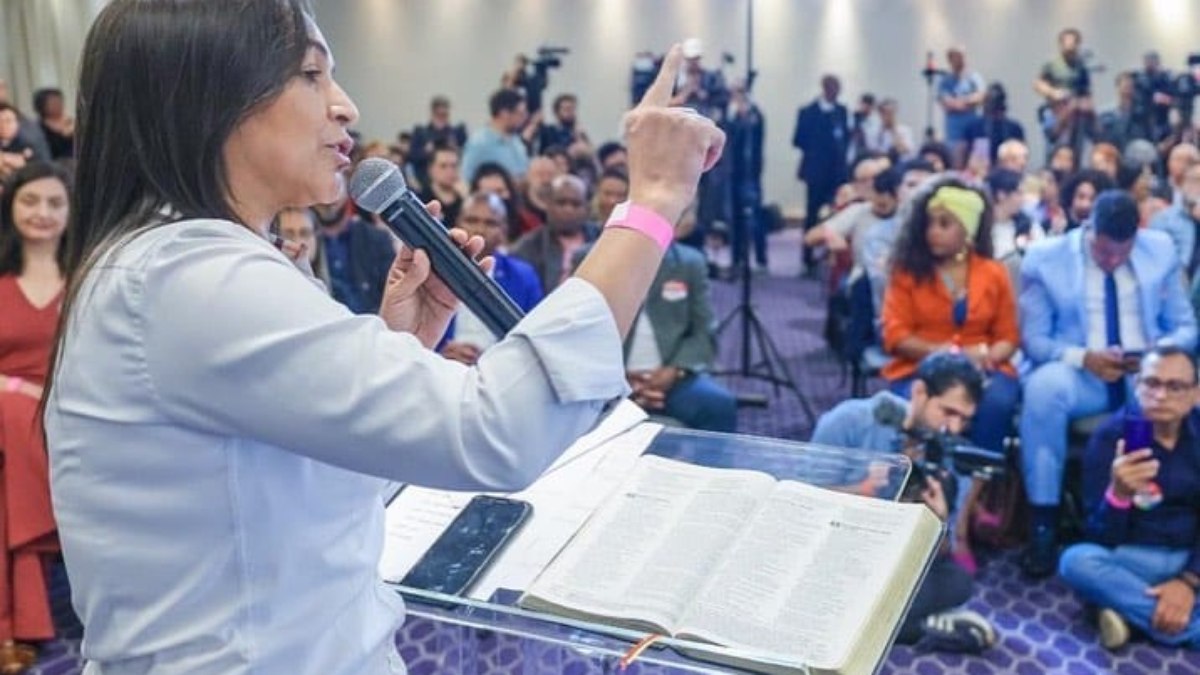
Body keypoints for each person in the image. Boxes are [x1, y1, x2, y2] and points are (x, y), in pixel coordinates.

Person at [43, 4, 724, 672]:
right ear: (206, 97)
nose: (345, 106)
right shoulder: (187, 276)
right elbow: (497, 430)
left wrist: (398, 346)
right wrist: (654, 200)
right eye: (311, 75)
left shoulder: (187, 262)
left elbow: (293, 482)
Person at [1018, 190, 1197, 578]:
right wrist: (1084, 357)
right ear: (1088, 230)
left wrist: (1155, 353)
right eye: (1104, 253)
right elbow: (1035, 341)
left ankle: (1176, 525)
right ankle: (1043, 519)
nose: (1113, 261)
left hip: (1146, 370)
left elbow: (1185, 327)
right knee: (1042, 390)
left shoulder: (1161, 250)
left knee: (1182, 385)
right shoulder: (1046, 259)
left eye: (1122, 253)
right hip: (1082, 371)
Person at [811, 353, 996, 653]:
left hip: (887, 567)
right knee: (827, 588)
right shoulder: (851, 421)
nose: (955, 427)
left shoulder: (949, 454)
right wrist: (861, 492)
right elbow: (798, 502)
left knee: (958, 580)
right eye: (948, 412)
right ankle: (914, 627)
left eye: (964, 419)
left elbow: (941, 553)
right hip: (833, 553)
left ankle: (870, 624)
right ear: (920, 392)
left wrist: (937, 523)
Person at [1059, 346, 1200, 651]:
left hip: (1190, 554)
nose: (1161, 396)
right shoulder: (1110, 437)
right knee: (1076, 561)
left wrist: (1188, 581)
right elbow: (1099, 535)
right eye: (1151, 383)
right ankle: (1188, 626)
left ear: (1195, 394)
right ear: (1137, 387)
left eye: (1175, 386)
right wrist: (1118, 495)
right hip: (1133, 556)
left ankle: (1128, 612)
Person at [0, 162, 70, 673]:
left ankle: (11, 626)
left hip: (68, 416)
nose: (41, 213)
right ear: (11, 208)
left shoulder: (89, 276)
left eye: (53, 202)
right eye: (30, 201)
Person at [439, 192, 543, 366]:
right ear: (457, 224)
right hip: (441, 368)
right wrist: (440, 351)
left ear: (504, 231)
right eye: (472, 220)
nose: (480, 229)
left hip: (499, 373)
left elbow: (535, 337)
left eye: (490, 223)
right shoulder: (434, 270)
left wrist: (495, 360)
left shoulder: (524, 276)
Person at [794, 75, 851, 270]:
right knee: (812, 214)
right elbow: (798, 140)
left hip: (837, 172)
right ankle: (807, 258)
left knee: (838, 214)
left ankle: (831, 257)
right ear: (825, 88)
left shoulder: (842, 112)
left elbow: (846, 139)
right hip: (816, 171)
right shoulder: (808, 112)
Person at [511, 174, 599, 293]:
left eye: (576, 204)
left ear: (586, 208)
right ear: (548, 205)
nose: (568, 210)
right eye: (561, 203)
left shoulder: (603, 239)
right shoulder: (528, 247)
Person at [460, 87, 530, 182]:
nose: (524, 119)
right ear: (504, 114)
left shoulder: (517, 142)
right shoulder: (479, 144)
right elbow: (467, 178)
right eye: (520, 114)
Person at [1150, 162, 1200, 280]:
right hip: (1175, 280)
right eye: (1194, 181)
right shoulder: (1164, 219)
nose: (1197, 188)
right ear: (1182, 185)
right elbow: (1155, 259)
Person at [938, 46, 987, 164]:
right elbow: (946, 102)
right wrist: (967, 102)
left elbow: (981, 96)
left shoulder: (974, 77)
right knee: (955, 163)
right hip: (954, 133)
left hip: (973, 131)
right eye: (958, 57)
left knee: (977, 161)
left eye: (963, 56)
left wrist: (961, 102)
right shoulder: (945, 81)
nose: (962, 60)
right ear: (950, 59)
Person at [31, 89, 74, 161]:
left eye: (59, 101)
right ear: (42, 105)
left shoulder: (71, 122)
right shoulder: (37, 128)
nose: (58, 105)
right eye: (53, 102)